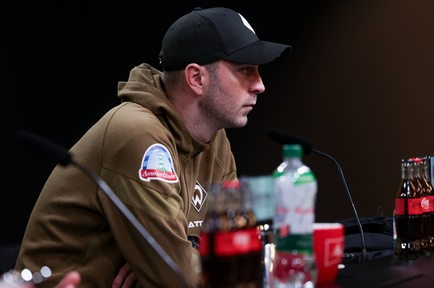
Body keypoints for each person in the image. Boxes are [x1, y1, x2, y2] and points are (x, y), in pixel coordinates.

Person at [15, 6, 290, 287]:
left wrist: (181, 256)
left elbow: (239, 254)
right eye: (245, 70)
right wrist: (182, 261)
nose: (260, 85)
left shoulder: (215, 141)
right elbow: (179, 277)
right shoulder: (137, 134)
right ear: (196, 78)